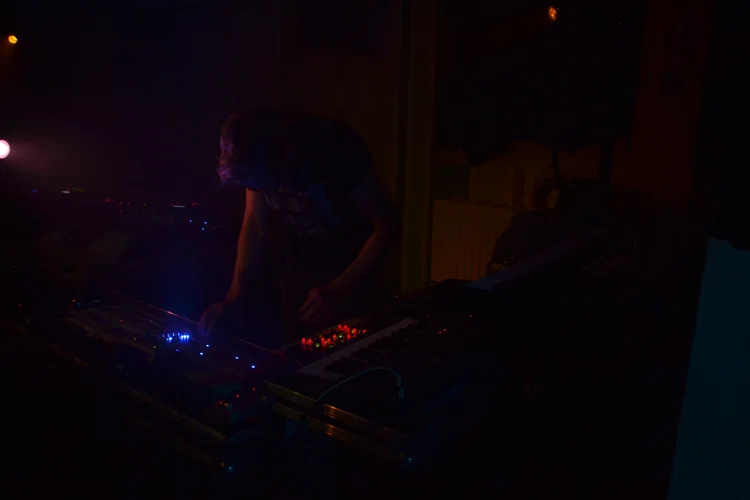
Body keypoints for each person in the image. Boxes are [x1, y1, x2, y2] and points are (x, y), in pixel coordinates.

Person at [197, 109, 400, 345]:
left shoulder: (338, 149)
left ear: (276, 157)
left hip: (358, 280)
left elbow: (388, 227)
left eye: (261, 183)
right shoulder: (254, 156)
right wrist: (234, 297)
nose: (260, 191)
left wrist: (342, 288)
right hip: (300, 277)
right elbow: (255, 227)